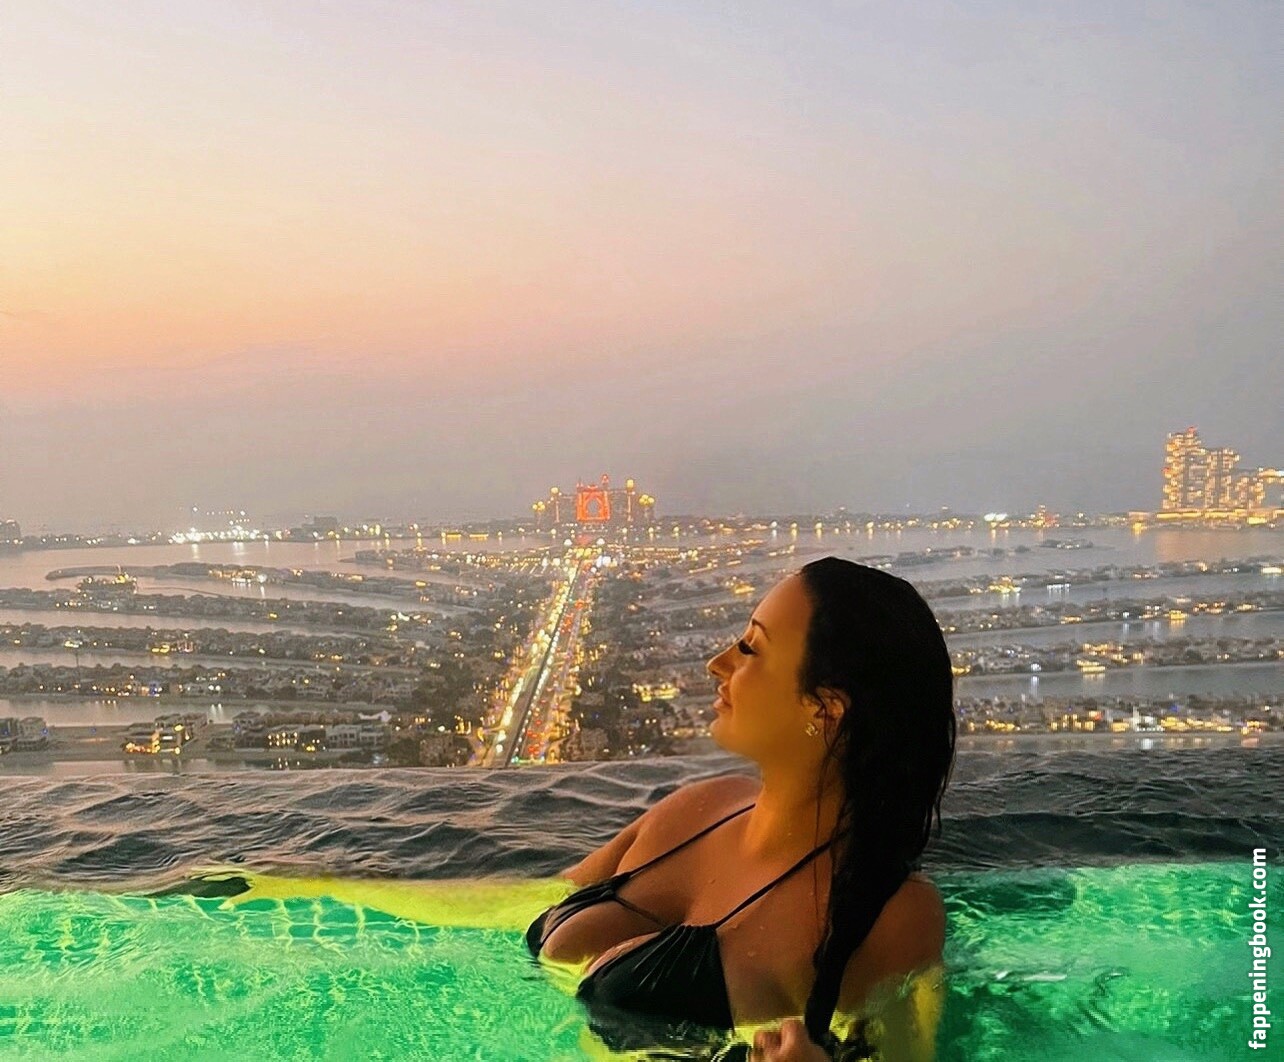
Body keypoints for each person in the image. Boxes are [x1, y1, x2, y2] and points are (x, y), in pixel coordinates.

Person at [526, 556, 957, 1060]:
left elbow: (910, 1054)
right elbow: (528, 900)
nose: (718, 662)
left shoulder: (894, 914)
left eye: (750, 647)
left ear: (824, 708)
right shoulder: (701, 807)